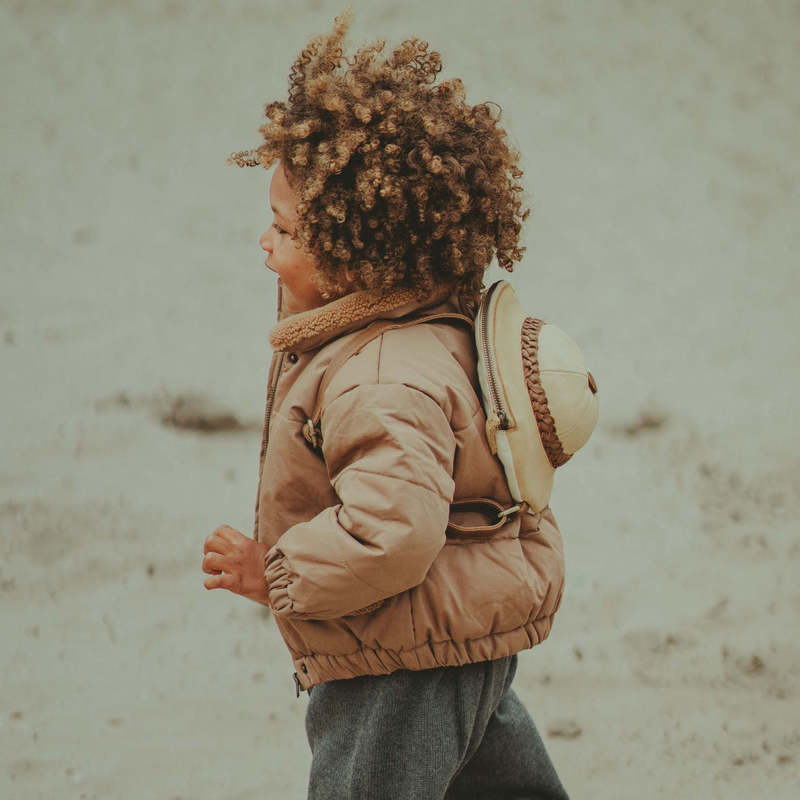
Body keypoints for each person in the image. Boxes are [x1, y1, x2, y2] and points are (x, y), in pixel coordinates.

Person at [202, 11, 569, 799]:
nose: (263, 242)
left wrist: (277, 572)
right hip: (454, 635)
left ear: (351, 259)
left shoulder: (378, 378)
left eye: (283, 230)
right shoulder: (431, 329)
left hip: (396, 660)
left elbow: (393, 532)